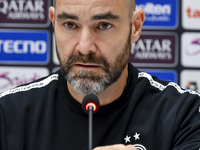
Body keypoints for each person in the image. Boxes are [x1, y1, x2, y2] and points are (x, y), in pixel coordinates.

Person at [0, 0, 199, 149]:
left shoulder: (185, 114)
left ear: (135, 27)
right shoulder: (7, 113)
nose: (85, 47)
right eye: (70, 25)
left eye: (104, 25)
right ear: (54, 22)